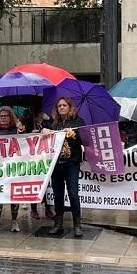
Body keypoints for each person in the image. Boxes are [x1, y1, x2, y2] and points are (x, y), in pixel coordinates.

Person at [42, 97, 86, 237]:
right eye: (59, 105)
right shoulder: (51, 122)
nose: (61, 107)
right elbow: (41, 132)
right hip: (56, 164)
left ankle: (77, 224)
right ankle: (58, 223)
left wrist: (74, 135)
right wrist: (43, 130)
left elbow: (85, 140)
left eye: (64, 105)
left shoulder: (78, 122)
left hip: (71, 162)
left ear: (69, 107)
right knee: (58, 194)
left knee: (73, 193)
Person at [0, 106, 24, 233]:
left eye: (5, 116)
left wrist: (22, 132)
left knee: (14, 196)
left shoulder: (16, 131)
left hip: (14, 169)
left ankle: (14, 221)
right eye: (1, 116)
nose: (3, 118)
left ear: (10, 118)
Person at [20, 108, 55, 220]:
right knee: (34, 183)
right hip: (31, 159)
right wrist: (29, 133)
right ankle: (34, 209)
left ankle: (48, 208)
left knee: (46, 184)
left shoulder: (44, 124)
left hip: (43, 158)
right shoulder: (27, 124)